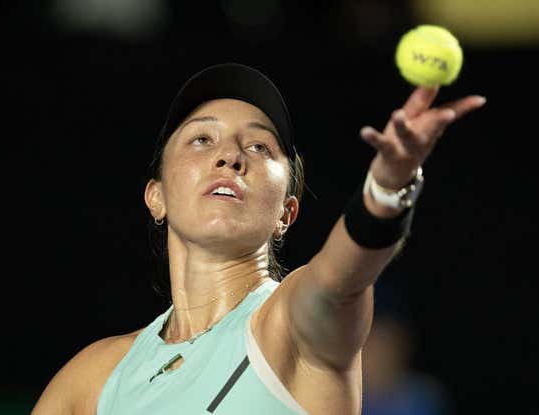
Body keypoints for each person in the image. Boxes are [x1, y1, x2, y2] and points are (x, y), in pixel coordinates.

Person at [31, 63, 485, 414]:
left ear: (286, 213)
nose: (230, 155)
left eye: (259, 147)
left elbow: (340, 279)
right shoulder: (94, 376)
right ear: (157, 197)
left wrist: (386, 189)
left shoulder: (291, 323)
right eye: (202, 140)